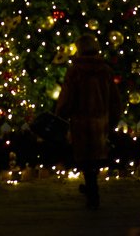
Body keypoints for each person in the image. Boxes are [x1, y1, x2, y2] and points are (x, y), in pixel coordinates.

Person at [55, 33, 121, 210]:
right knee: (96, 156)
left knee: (85, 157)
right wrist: (113, 118)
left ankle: (92, 190)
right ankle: (92, 188)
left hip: (81, 120)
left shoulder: (75, 70)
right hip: (100, 120)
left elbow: (67, 97)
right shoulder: (105, 70)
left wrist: (61, 112)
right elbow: (115, 99)